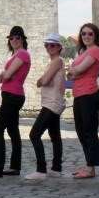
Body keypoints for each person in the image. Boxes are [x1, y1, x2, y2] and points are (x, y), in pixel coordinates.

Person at [0, 26, 31, 180]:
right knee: (12, 130)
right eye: (11, 38)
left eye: (17, 37)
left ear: (23, 39)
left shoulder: (23, 54)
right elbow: (4, 76)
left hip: (13, 95)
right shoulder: (15, 55)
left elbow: (8, 75)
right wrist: (4, 75)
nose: (14, 40)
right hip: (11, 94)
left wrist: (5, 74)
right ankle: (15, 167)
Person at [24, 33, 66, 180]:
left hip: (52, 103)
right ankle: (56, 168)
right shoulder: (54, 62)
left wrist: (40, 80)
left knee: (34, 134)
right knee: (55, 136)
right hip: (53, 102)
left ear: (60, 47)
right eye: (47, 45)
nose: (49, 47)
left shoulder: (57, 61)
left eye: (53, 45)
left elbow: (46, 80)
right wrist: (42, 80)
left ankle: (41, 170)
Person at [67, 23, 99, 179]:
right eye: (83, 34)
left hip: (89, 94)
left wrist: (74, 72)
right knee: (81, 130)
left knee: (89, 131)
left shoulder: (95, 50)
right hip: (79, 94)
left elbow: (78, 70)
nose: (87, 36)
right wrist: (73, 72)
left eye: (90, 33)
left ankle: (91, 168)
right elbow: (71, 74)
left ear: (95, 35)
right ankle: (89, 164)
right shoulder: (83, 51)